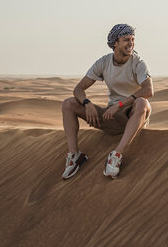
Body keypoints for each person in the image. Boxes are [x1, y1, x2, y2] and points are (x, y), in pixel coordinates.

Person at [61, 24, 153, 180]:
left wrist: (120, 104)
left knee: (143, 103)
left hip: (132, 116)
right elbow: (78, 89)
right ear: (115, 43)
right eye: (126, 40)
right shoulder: (103, 62)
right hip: (111, 117)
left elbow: (148, 90)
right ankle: (75, 156)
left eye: (132, 39)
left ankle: (117, 155)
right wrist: (87, 103)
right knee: (68, 103)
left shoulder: (138, 63)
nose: (130, 43)